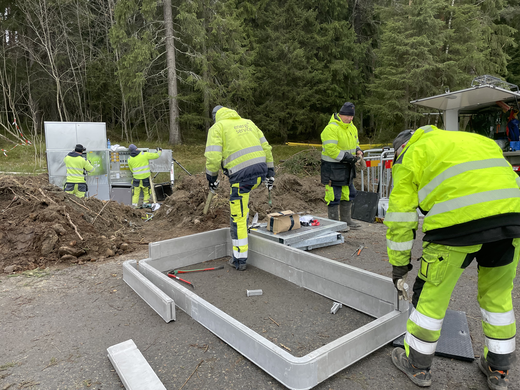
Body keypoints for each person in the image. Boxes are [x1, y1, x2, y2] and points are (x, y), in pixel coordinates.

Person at [385, 125, 520, 389]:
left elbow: (401, 217)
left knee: (430, 297)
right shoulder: (476, 140)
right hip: (511, 221)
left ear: (400, 148)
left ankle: (417, 365)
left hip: (456, 227)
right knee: (498, 295)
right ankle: (497, 369)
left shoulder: (411, 154)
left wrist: (399, 266)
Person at [205, 105, 275, 271]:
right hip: (260, 173)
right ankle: (245, 228)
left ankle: (239, 259)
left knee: (238, 217)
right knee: (242, 210)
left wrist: (212, 178)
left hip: (241, 179)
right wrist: (270, 172)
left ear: (215, 117)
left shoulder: (217, 127)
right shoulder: (248, 123)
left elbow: (213, 158)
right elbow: (267, 148)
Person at [320, 102, 363, 229]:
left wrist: (358, 150)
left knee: (348, 193)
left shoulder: (352, 127)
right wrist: (348, 157)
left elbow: (355, 143)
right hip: (332, 167)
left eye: (352, 116)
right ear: (340, 114)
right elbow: (330, 149)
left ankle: (346, 221)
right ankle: (334, 225)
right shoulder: (331, 128)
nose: (350, 119)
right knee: (334, 196)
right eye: (347, 116)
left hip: (347, 167)